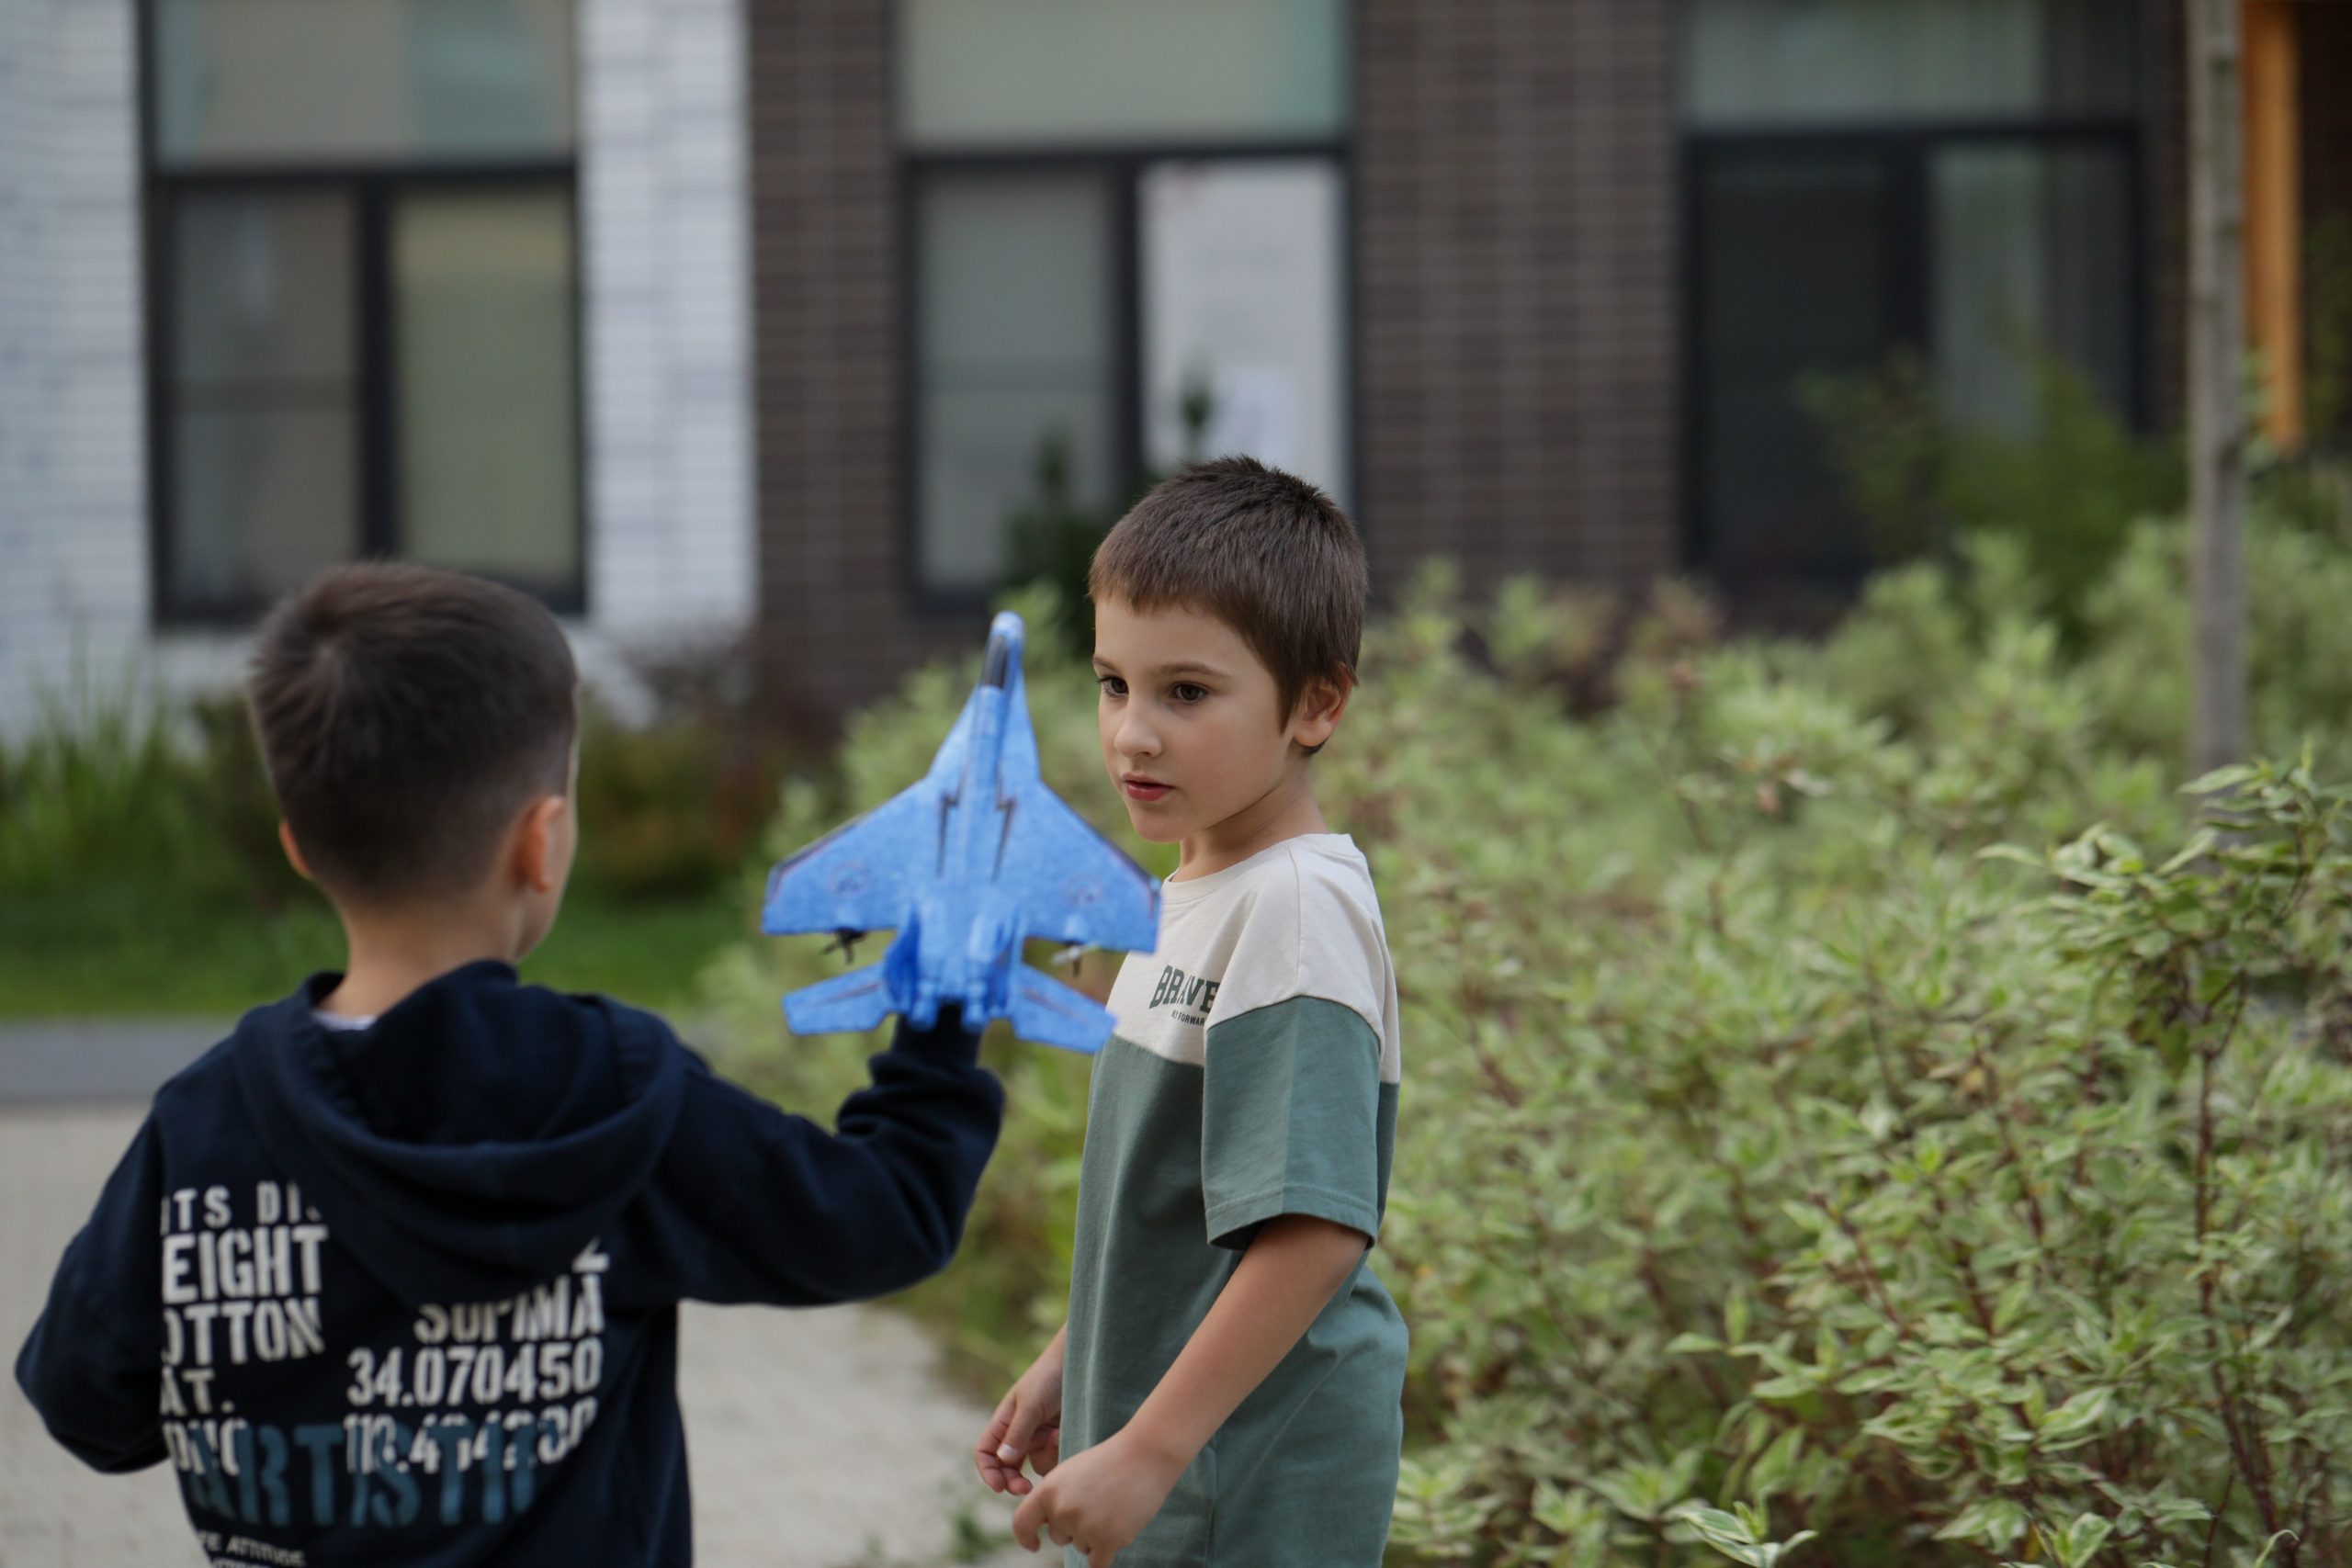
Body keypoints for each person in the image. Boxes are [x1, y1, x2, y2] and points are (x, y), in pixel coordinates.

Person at [15, 563, 1005, 1567]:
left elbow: (82, 1398)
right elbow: (881, 1218)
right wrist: (945, 1010)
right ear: (541, 840)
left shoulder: (204, 1122)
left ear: (299, 849)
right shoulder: (618, 1096)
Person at [974, 457, 1408, 1567]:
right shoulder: (1191, 894)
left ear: (1317, 704)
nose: (1132, 734)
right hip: (1188, 1453)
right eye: (1114, 683)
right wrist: (1080, 1359)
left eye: (1187, 692)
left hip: (1245, 1475)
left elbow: (1311, 1231)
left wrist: (1150, 1451)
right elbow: (1183, 1204)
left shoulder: (1294, 908)